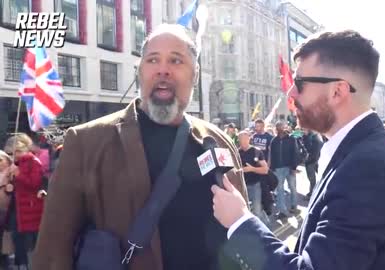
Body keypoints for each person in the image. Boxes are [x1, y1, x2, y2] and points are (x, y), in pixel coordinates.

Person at [32, 24, 247, 270]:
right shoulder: (86, 142)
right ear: (140, 72)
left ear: (194, 75)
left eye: (176, 61)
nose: (163, 70)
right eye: (153, 60)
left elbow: (244, 236)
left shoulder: (218, 141)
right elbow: (52, 252)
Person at [211, 30, 385, 270]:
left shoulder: (367, 169)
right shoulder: (363, 151)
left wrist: (241, 222)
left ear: (338, 91)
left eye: (299, 83)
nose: (291, 94)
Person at [4, 133, 44, 270]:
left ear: (26, 149)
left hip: (29, 207)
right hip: (17, 206)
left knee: (30, 239)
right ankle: (21, 264)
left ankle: (31, 265)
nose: (15, 155)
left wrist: (19, 175)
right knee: (17, 237)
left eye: (18, 151)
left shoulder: (34, 162)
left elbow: (35, 183)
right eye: (12, 152)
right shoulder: (15, 163)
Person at [269, 121, 300, 219]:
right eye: (278, 127)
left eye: (281, 127)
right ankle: (282, 211)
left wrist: (294, 168)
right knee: (280, 190)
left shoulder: (291, 139)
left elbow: (295, 153)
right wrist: (272, 168)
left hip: (290, 167)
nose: (280, 129)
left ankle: (294, 206)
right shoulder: (274, 140)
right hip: (278, 169)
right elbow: (272, 155)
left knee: (292, 188)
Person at [237, 130, 269, 224]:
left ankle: (265, 229)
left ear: (249, 138)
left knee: (256, 211)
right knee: (246, 210)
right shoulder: (237, 152)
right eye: (240, 139)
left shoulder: (256, 151)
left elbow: (265, 170)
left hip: (255, 185)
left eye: (244, 138)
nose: (242, 141)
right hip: (243, 186)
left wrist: (252, 169)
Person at [302, 128, 322, 198]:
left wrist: (309, 160)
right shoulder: (314, 137)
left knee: (312, 179)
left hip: (312, 161)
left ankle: (312, 194)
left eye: (304, 130)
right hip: (315, 160)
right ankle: (313, 192)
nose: (302, 131)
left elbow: (311, 150)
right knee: (313, 178)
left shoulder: (312, 138)